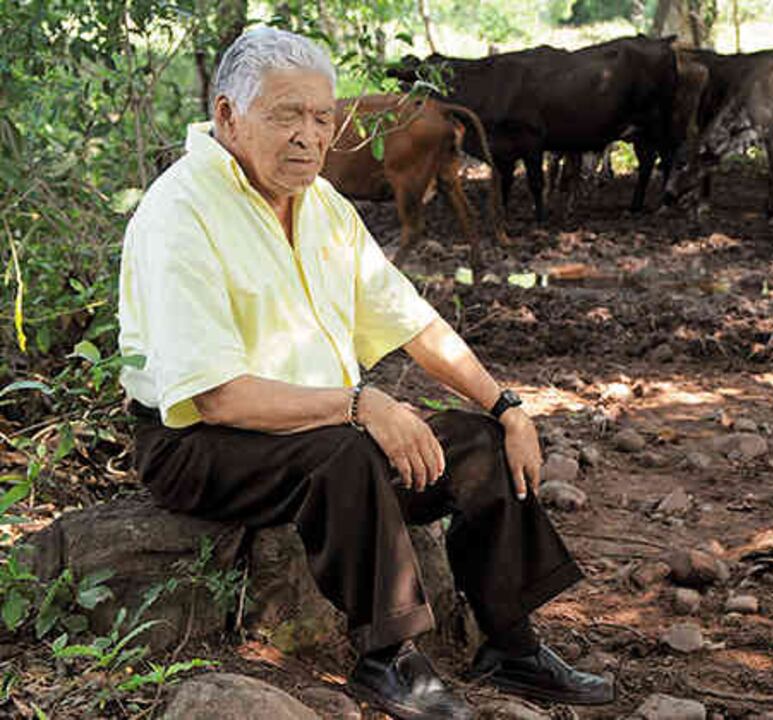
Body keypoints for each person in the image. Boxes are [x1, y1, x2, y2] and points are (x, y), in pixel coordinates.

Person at [117, 27, 613, 720]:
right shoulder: (181, 212)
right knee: (349, 450)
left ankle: (511, 644)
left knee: (477, 444)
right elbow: (216, 395)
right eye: (285, 116)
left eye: (322, 119)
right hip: (198, 444)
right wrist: (359, 404)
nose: (309, 137)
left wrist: (507, 407)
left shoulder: (322, 206)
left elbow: (415, 325)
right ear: (227, 115)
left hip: (312, 426)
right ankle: (390, 659)